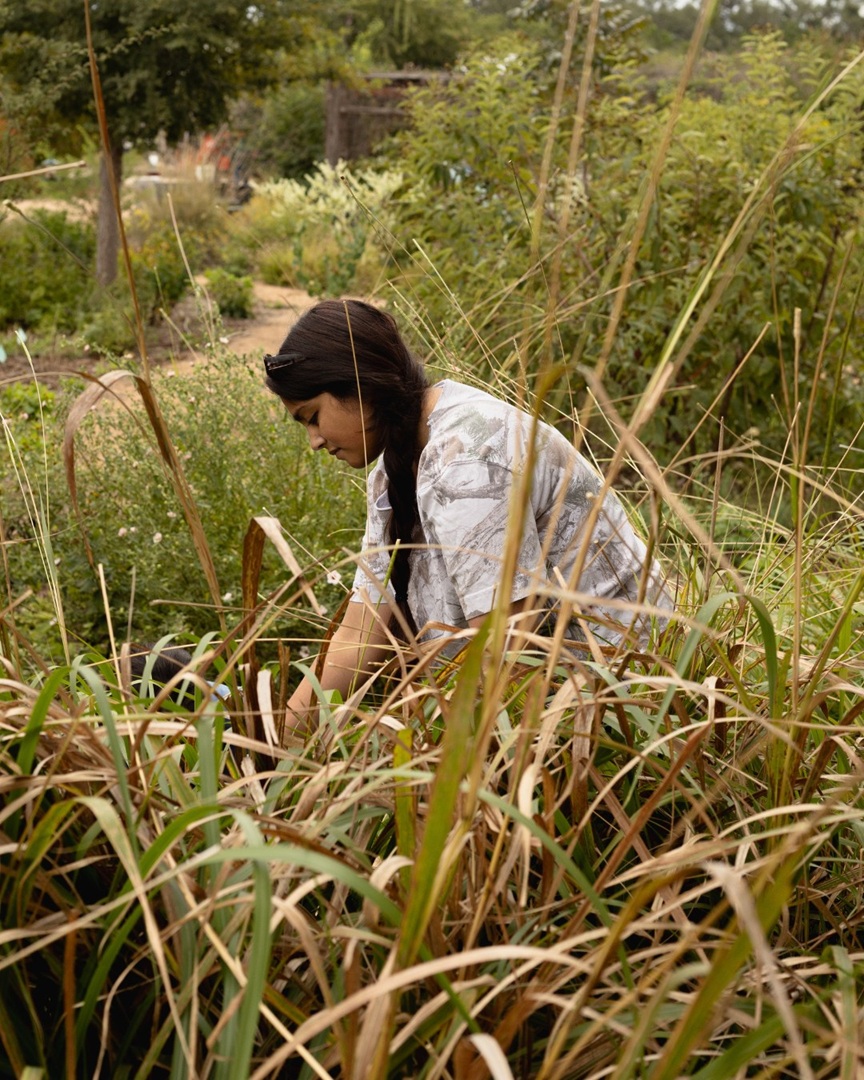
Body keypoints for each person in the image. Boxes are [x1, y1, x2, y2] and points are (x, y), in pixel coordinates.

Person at [264, 299, 671, 732]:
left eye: (312, 417)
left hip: (630, 705)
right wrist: (272, 744)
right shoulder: (393, 471)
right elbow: (359, 636)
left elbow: (507, 652)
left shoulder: (470, 456)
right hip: (552, 700)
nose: (314, 441)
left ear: (359, 385)